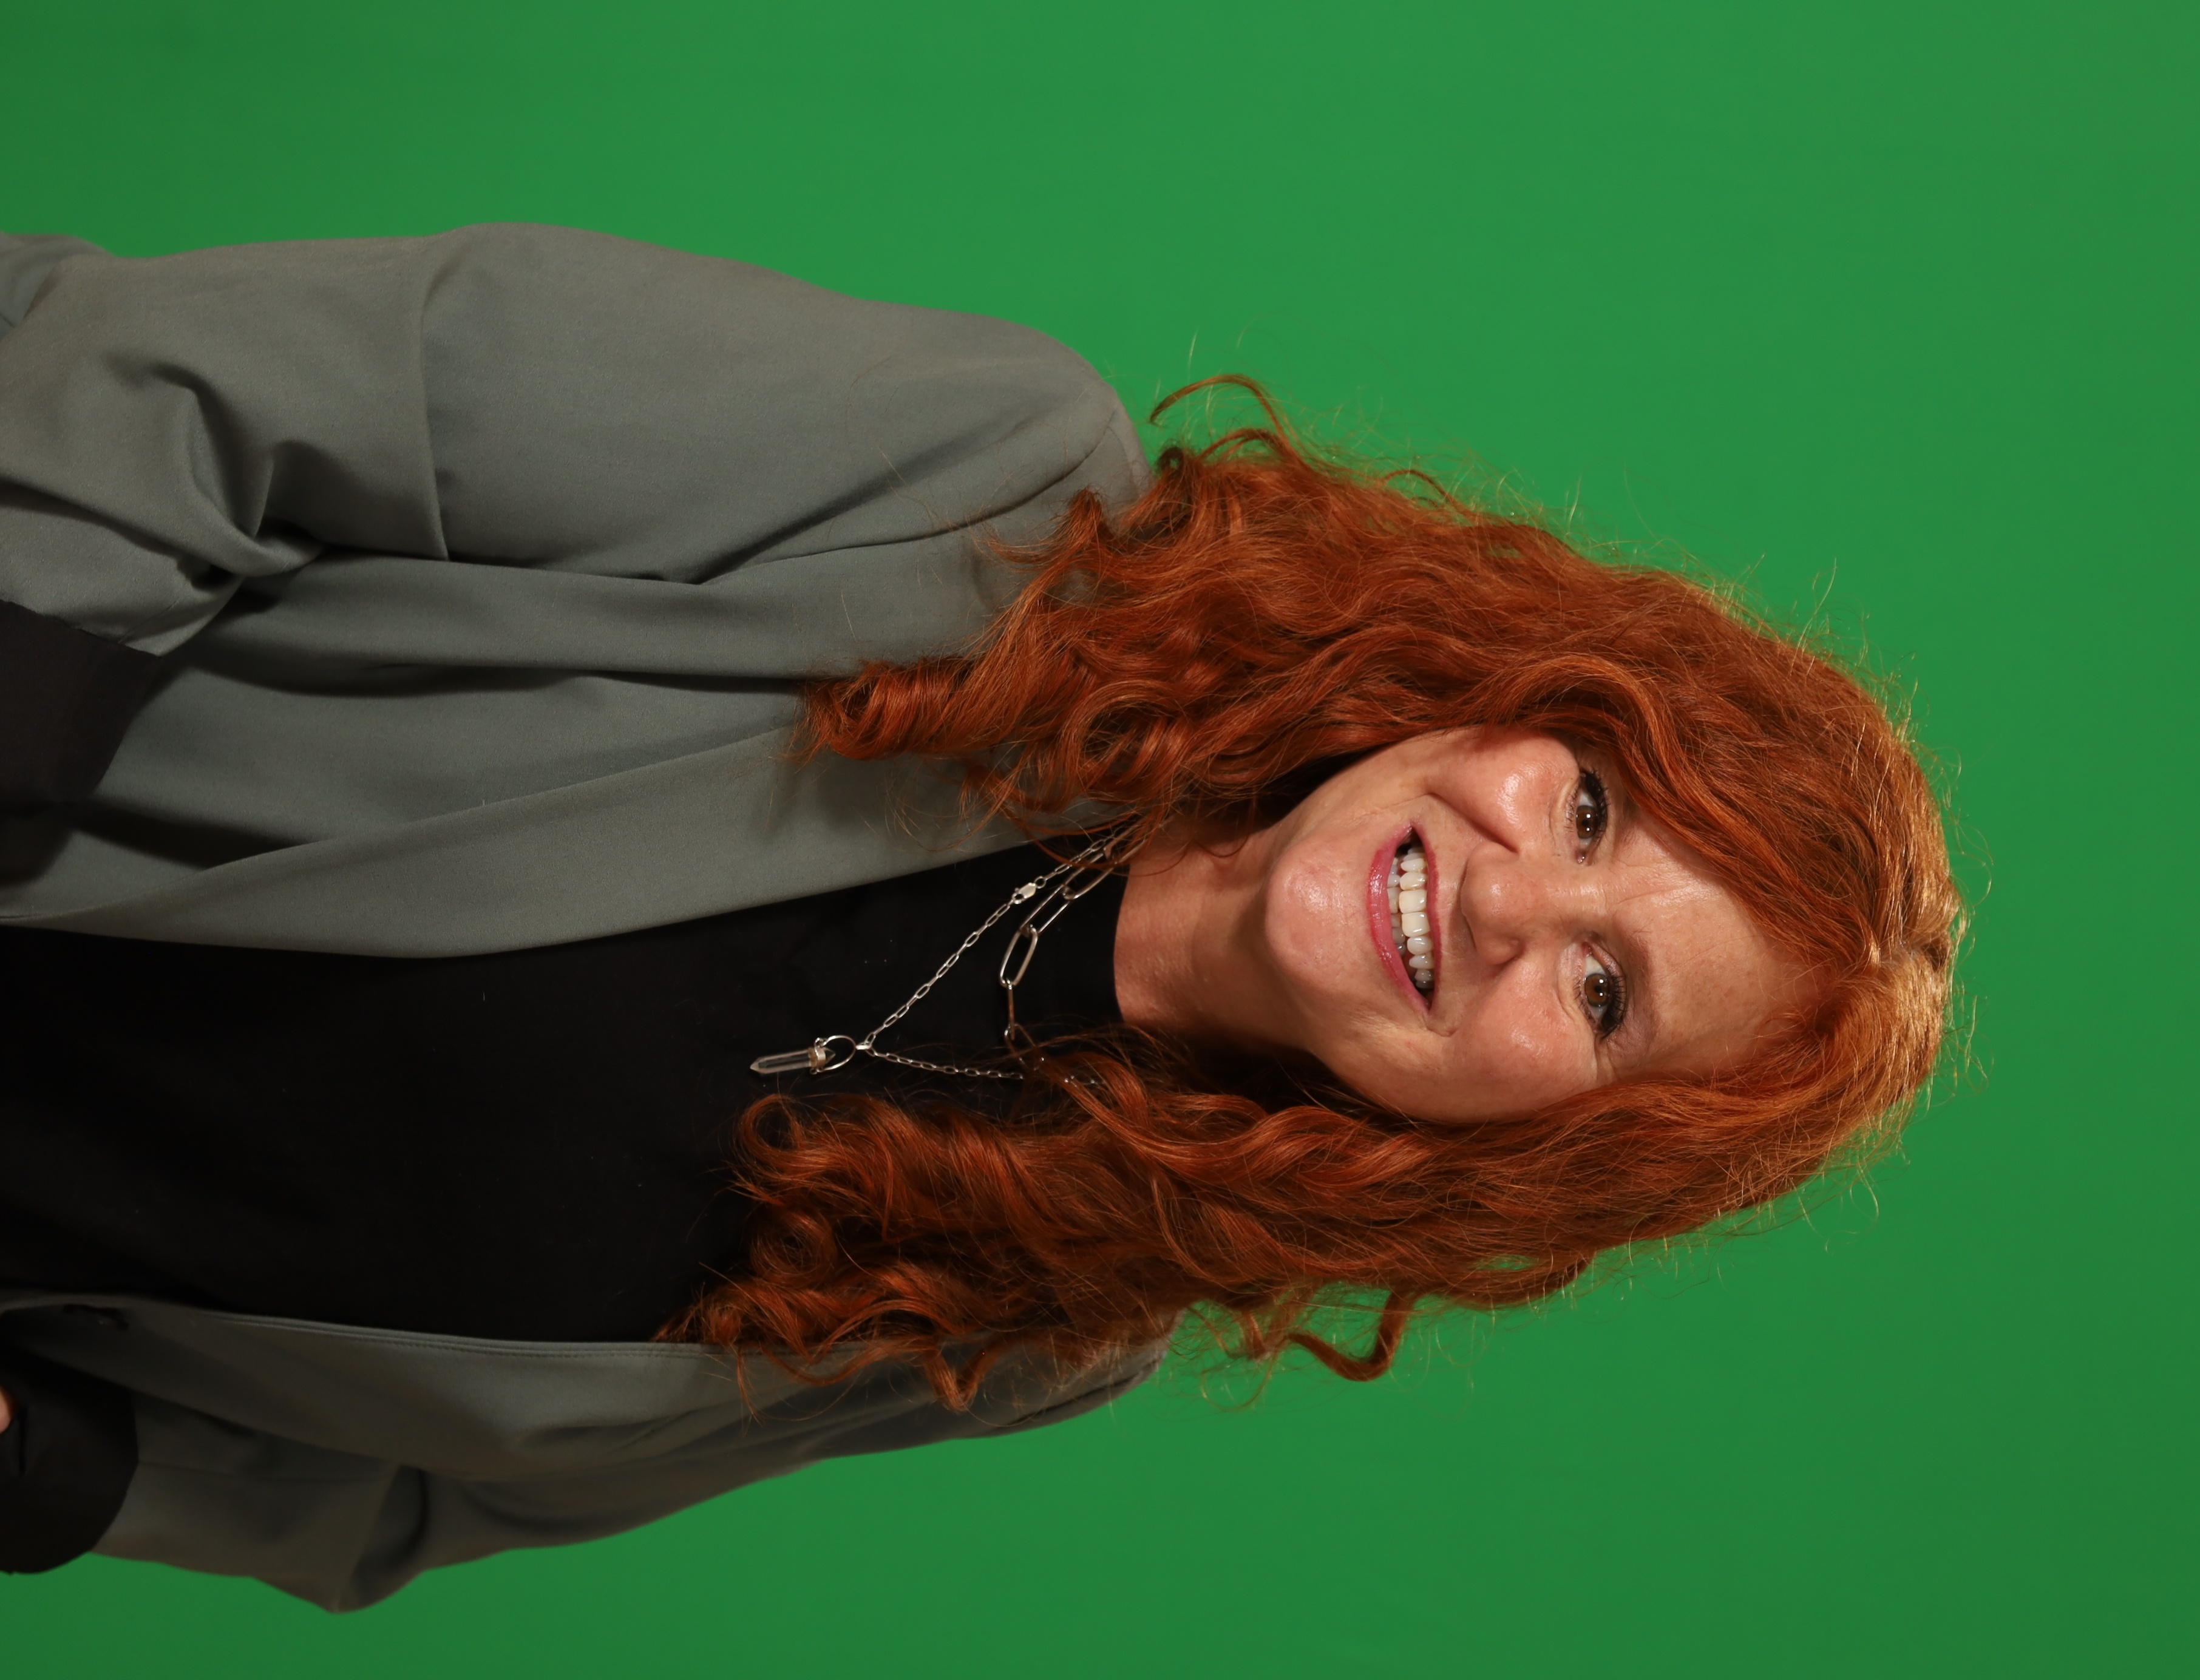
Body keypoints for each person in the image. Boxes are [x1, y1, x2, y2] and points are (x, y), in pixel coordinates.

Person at [0, 223, 1958, 1610]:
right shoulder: (993, 488)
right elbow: (210, 388)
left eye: (1609, 993)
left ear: (1557, 1145)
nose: (1518, 895)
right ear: (1521, 698)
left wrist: (54, 1463)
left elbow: (408, 1498)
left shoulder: (1043, 1312)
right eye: (1593, 802)